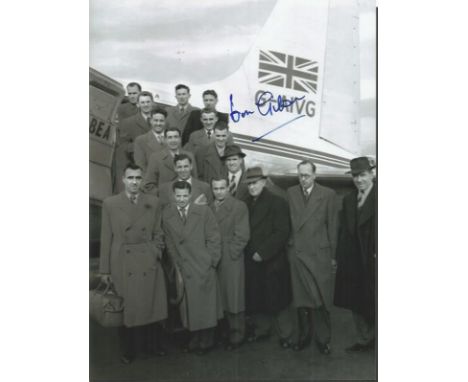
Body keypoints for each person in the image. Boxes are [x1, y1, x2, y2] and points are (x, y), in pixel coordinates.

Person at [99, 163, 168, 364]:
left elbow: (158, 232)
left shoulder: (154, 202)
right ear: (123, 179)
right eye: (131, 178)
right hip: (123, 260)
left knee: (151, 304)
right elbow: (106, 237)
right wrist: (105, 269)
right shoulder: (110, 203)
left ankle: (152, 347)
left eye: (138, 178)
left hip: (147, 259)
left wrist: (156, 251)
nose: (135, 182)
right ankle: (128, 350)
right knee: (126, 306)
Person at [161, 180, 223, 355]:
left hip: (202, 265)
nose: (181, 199)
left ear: (190, 195)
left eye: (184, 196)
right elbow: (169, 242)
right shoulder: (167, 214)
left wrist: (211, 261)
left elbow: (214, 237)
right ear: (173, 196)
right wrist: (177, 263)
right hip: (184, 267)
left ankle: (207, 341)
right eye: (178, 196)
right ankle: (195, 338)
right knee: (190, 307)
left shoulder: (203, 212)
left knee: (205, 306)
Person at [286, 160, 339, 354]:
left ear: (315, 175)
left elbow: (333, 226)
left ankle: (323, 339)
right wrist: (290, 246)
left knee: (321, 299)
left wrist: (333, 256)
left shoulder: (328, 195)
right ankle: (304, 336)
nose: (303, 179)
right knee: (301, 300)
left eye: (307, 175)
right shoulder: (291, 193)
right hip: (298, 254)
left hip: (319, 254)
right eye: (300, 175)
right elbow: (289, 223)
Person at [243, 167, 293, 348]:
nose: (251, 187)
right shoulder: (246, 203)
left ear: (264, 182)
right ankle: (262, 330)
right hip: (252, 259)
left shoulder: (277, 202)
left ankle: (286, 335)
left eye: (255, 183)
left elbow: (282, 232)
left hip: (272, 260)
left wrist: (262, 253)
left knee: (278, 299)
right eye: (249, 184)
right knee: (258, 297)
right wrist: (252, 253)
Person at [334, 157, 376, 353]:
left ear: (372, 174)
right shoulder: (349, 199)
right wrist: (338, 257)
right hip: (354, 262)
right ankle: (364, 339)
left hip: (373, 261)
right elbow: (343, 232)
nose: (359, 180)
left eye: (363, 175)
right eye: (355, 176)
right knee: (356, 302)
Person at [209, 178, 250, 350]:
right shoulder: (209, 208)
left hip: (230, 256)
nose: (219, 191)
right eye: (216, 188)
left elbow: (243, 235)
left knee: (234, 295)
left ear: (228, 188)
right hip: (214, 254)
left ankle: (237, 333)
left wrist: (232, 253)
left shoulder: (238, 206)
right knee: (220, 295)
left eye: (222, 188)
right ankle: (224, 332)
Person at [114, 91, 154, 193]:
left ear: (152, 103)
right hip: (136, 168)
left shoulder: (160, 121)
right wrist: (138, 147)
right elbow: (122, 146)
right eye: (143, 102)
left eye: (148, 102)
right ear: (138, 104)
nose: (146, 105)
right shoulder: (128, 122)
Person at [142, 127, 197, 194]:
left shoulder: (189, 155)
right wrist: (163, 195)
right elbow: (149, 185)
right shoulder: (156, 158)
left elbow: (195, 180)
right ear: (165, 140)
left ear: (180, 139)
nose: (173, 140)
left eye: (176, 137)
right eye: (170, 137)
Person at [134, 107, 167, 172]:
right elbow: (140, 166)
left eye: (161, 121)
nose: (158, 123)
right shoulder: (141, 140)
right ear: (150, 121)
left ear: (165, 122)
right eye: (155, 120)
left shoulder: (173, 138)